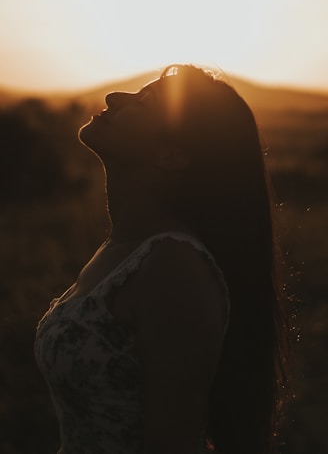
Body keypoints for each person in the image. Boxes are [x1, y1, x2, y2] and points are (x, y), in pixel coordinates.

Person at [35, 64, 290, 454]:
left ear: (171, 154)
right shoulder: (125, 248)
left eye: (143, 102)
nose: (113, 98)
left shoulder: (171, 266)